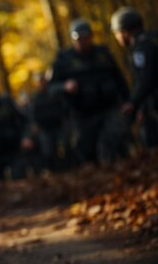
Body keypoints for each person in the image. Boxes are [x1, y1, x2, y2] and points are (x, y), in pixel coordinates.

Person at [48, 18, 130, 164]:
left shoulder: (103, 53)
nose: (83, 42)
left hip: (109, 108)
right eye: (79, 39)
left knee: (115, 139)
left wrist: (128, 101)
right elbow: (51, 88)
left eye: (85, 38)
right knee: (86, 150)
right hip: (82, 115)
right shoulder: (63, 60)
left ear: (91, 37)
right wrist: (65, 87)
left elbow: (119, 78)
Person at [111, 7, 158, 148]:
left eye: (117, 33)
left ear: (124, 32)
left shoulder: (141, 48)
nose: (117, 37)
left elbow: (145, 80)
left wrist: (133, 103)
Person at [29, 71, 71, 171]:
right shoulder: (35, 97)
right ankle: (53, 170)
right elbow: (32, 114)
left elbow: (64, 106)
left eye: (42, 81)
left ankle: (68, 168)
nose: (41, 83)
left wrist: (65, 119)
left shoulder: (54, 92)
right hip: (45, 128)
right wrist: (35, 125)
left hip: (59, 125)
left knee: (64, 146)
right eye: (39, 82)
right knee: (48, 151)